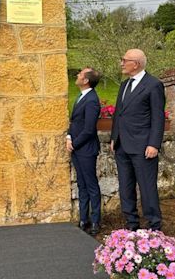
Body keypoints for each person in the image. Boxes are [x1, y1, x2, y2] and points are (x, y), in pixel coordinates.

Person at [111, 49, 165, 231]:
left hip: (143, 146)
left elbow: (158, 117)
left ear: (136, 64)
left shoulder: (153, 84)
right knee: (125, 188)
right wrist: (114, 137)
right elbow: (119, 113)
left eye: (124, 60)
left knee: (147, 188)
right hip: (122, 146)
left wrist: (154, 144)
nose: (121, 63)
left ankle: (153, 227)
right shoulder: (124, 85)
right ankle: (131, 225)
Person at [66, 67, 102, 236]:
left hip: (86, 149)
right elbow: (75, 122)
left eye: (80, 74)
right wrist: (68, 137)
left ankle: (95, 220)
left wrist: (75, 143)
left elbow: (88, 129)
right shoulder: (81, 97)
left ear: (86, 80)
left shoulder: (92, 100)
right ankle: (83, 218)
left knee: (91, 184)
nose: (78, 75)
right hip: (77, 148)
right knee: (82, 183)